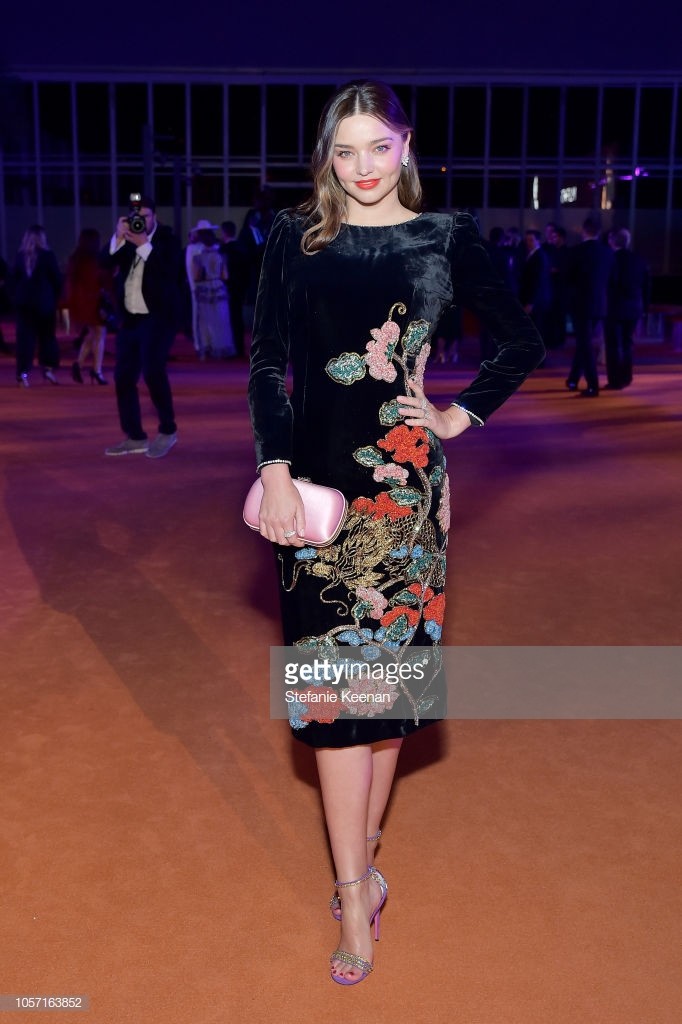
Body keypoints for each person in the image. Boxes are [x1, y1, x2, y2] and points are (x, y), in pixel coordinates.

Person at [247, 80, 544, 987]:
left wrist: (457, 417)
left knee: (384, 700)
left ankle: (366, 856)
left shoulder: (445, 237)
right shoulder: (296, 239)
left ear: (406, 145)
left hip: (406, 496)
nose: (363, 166)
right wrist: (273, 471)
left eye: (379, 146)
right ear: (326, 158)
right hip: (314, 498)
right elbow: (266, 364)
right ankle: (353, 895)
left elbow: (520, 342)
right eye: (345, 151)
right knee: (336, 705)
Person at [102, 195, 182, 457]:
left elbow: (168, 274)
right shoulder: (126, 239)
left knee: (152, 371)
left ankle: (168, 430)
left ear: (155, 217)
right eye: (136, 217)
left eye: (145, 216)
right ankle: (135, 436)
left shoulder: (168, 240)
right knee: (123, 377)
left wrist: (144, 245)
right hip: (130, 319)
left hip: (158, 318)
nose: (141, 222)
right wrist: (117, 237)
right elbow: (104, 263)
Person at [565, 216, 613, 397]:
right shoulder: (608, 252)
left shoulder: (576, 251)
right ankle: (573, 379)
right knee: (584, 342)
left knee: (584, 344)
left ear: (584, 231)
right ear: (599, 232)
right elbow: (611, 279)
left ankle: (593, 385)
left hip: (581, 304)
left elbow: (568, 279)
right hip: (600, 304)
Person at [11, 225, 62, 387]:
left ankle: (23, 374)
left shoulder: (20, 256)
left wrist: (15, 298)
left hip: (24, 304)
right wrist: (56, 298)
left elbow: (12, 280)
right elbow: (57, 279)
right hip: (44, 304)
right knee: (47, 338)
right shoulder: (48, 256)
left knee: (25, 340)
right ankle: (48, 369)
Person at [64, 228, 113, 385]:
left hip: (81, 302)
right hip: (94, 301)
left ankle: (81, 364)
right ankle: (96, 370)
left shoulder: (75, 258)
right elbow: (103, 280)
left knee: (92, 334)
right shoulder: (95, 260)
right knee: (100, 333)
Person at [604, 228, 648, 389]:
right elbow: (647, 285)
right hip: (634, 307)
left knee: (613, 345)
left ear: (612, 241)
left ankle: (615, 381)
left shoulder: (610, 259)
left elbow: (609, 284)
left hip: (614, 308)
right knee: (628, 343)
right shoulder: (639, 259)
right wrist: (644, 308)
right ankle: (627, 377)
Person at [190, 222, 235, 359]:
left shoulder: (197, 257)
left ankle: (208, 346)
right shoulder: (221, 254)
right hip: (218, 286)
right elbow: (225, 276)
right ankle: (221, 347)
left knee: (206, 320)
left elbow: (196, 277)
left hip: (205, 288)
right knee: (221, 319)